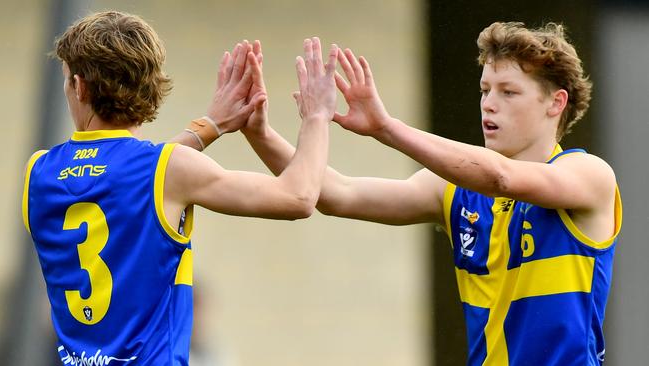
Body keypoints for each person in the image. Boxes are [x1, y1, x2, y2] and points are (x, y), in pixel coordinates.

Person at [240, 23, 622, 365]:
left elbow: (501, 177)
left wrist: (386, 128)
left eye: (509, 92)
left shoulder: (588, 176)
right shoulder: (455, 191)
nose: (489, 103)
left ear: (556, 103)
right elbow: (337, 193)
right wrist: (260, 133)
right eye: (485, 89)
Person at [22, 11, 338, 365]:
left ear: (79, 86)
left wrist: (209, 127)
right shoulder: (169, 170)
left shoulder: (39, 172)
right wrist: (316, 117)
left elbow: (124, 176)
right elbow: (299, 196)